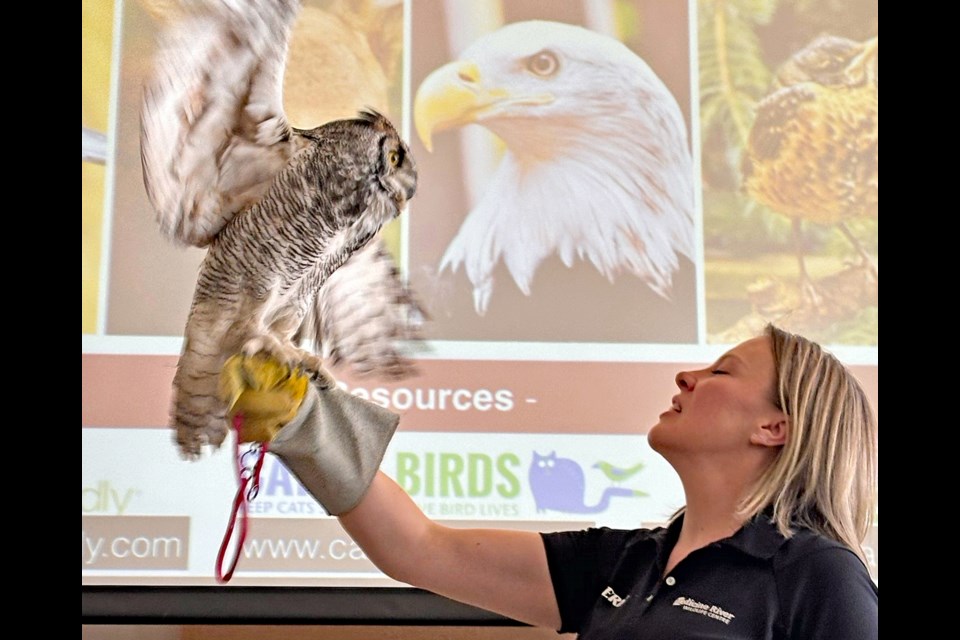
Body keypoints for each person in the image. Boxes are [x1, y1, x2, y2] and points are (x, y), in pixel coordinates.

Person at [224, 323, 878, 638]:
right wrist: (308, 423)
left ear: (774, 428)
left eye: (721, 372)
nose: (687, 377)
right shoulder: (629, 561)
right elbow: (418, 548)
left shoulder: (816, 575)